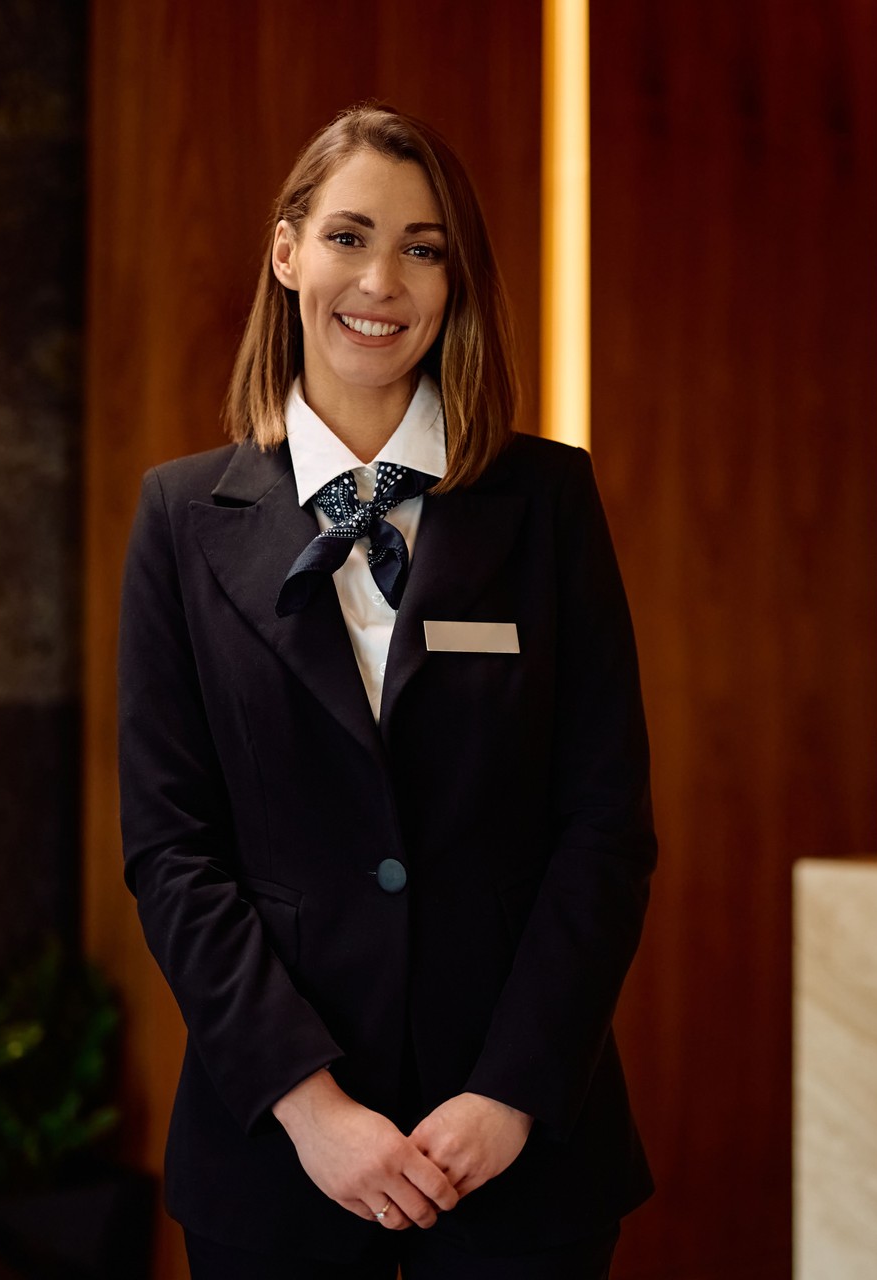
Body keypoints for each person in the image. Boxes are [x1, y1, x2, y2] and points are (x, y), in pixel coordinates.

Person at [116, 102, 657, 1279]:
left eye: (423, 246)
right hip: (275, 1154)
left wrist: (510, 1094)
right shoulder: (177, 517)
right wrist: (311, 1107)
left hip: (521, 1152)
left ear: (455, 277)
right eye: (351, 236)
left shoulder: (550, 502)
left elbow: (605, 830)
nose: (383, 279)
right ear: (286, 253)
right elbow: (173, 851)